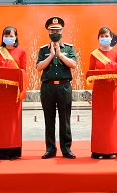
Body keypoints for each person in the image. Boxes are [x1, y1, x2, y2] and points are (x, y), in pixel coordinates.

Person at [36, 16, 77, 159]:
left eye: (58, 30)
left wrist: (60, 55)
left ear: (62, 31)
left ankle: (66, 149)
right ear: (48, 32)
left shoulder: (69, 48)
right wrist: (51, 55)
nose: (55, 32)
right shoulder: (43, 49)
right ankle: (50, 149)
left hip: (64, 87)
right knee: (49, 119)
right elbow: (38, 67)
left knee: (65, 119)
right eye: (52, 30)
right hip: (48, 87)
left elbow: (74, 65)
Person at [87, 27, 117, 159]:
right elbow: (90, 73)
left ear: (111, 37)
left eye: (106, 36)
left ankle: (112, 149)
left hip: (112, 90)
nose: (104, 38)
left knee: (111, 120)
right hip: (99, 91)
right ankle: (98, 149)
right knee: (99, 120)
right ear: (98, 39)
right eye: (102, 36)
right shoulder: (94, 54)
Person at [0, 26, 27, 160]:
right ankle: (0, 149)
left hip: (14, 91)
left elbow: (23, 70)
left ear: (16, 37)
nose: (8, 38)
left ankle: (14, 148)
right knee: (1, 120)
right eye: (6, 35)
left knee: (13, 121)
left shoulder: (21, 51)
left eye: (11, 36)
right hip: (1, 91)